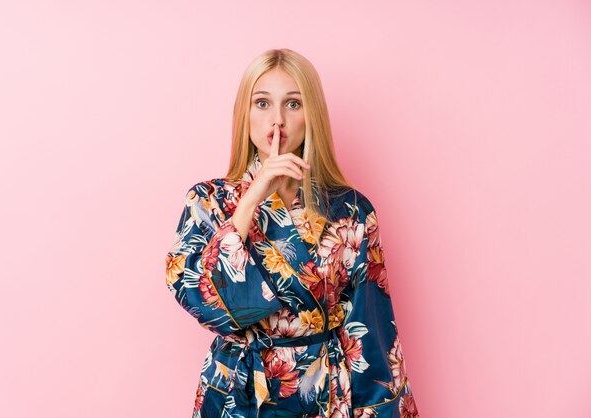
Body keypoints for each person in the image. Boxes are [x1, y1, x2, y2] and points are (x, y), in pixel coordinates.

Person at [165, 48, 420, 418]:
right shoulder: (208, 201)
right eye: (263, 103)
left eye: (294, 104)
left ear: (311, 115)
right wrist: (252, 197)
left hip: (324, 392)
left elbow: (372, 329)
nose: (278, 120)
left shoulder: (351, 210)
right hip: (240, 392)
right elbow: (202, 301)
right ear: (245, 114)